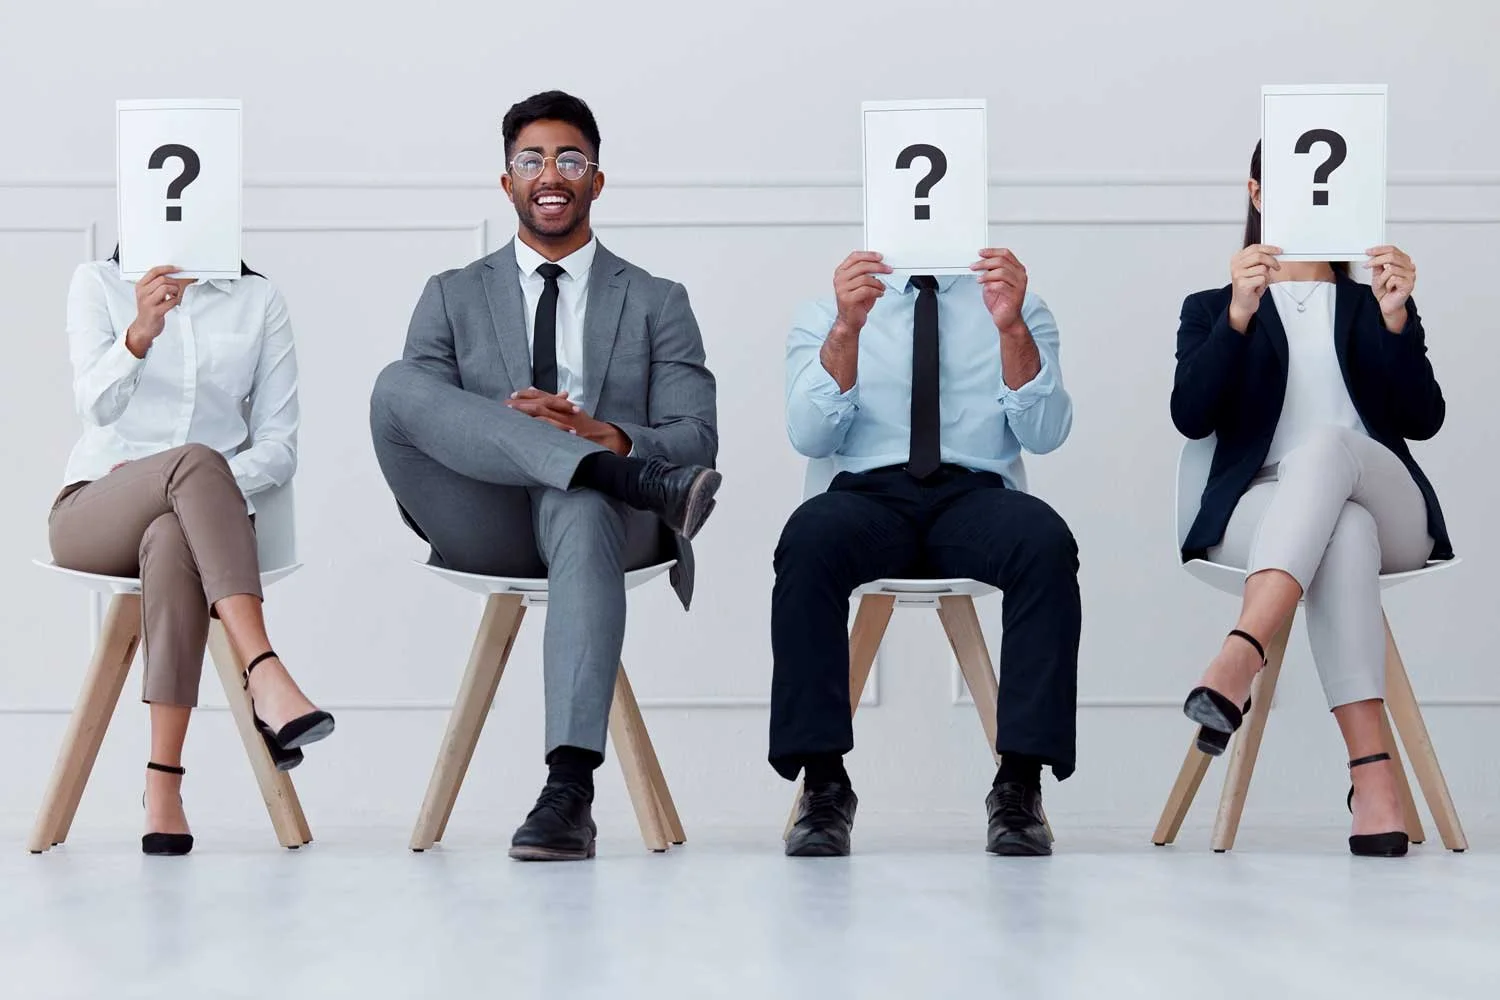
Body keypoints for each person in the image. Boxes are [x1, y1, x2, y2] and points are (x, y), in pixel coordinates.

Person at [369, 91, 720, 862]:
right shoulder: (450, 294)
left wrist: (603, 435)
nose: (550, 174)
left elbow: (698, 438)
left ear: (598, 179)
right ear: (506, 184)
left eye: (570, 159)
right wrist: (516, 426)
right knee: (396, 384)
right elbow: (423, 418)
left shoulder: (659, 299)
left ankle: (569, 792)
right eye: (531, 160)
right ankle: (609, 474)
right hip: (481, 511)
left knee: (583, 503)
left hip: (600, 524)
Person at [1172, 142, 1449, 858]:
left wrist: (1395, 320)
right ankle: (1374, 783)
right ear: (1257, 192)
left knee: (1329, 454)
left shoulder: (1374, 303)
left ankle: (1241, 652)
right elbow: (1191, 416)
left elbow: (1423, 419)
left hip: (1389, 504)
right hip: (1260, 516)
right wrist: (1238, 314)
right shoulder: (1212, 307)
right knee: (1342, 532)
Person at [771, 243, 1081, 858]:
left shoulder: (1017, 303)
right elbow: (808, 435)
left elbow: (1045, 435)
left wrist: (1012, 327)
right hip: (867, 494)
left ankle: (1020, 784)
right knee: (808, 538)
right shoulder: (825, 309)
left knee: (1045, 541)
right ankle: (824, 784)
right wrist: (846, 328)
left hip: (973, 495)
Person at [51, 250, 335, 857]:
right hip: (95, 509)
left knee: (178, 525)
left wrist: (191, 486)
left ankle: (163, 788)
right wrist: (139, 334)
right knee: (197, 462)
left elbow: (279, 449)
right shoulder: (98, 282)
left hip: (199, 534)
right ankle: (265, 670)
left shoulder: (258, 299)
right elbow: (92, 409)